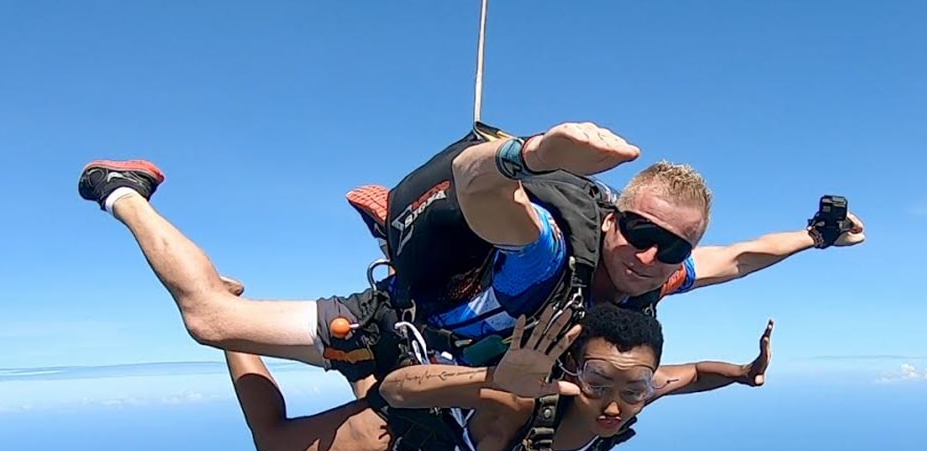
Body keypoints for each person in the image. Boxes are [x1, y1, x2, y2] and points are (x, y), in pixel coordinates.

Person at [75, 120, 862, 382]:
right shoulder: (551, 247)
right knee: (212, 320)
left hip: (452, 331)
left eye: (671, 247)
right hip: (408, 318)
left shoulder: (657, 277)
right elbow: (478, 185)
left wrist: (813, 238)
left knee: (441, 246)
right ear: (614, 218)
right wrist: (534, 150)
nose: (652, 258)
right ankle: (125, 191)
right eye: (641, 233)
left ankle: (397, 226)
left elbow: (741, 257)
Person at [219, 290, 776, 451]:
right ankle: (234, 330)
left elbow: (696, 374)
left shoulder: (637, 393)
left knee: (362, 373)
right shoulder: (530, 397)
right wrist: (499, 382)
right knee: (273, 440)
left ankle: (353, 354)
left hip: (451, 402)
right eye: (598, 380)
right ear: (574, 371)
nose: (613, 404)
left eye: (634, 388)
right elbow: (398, 392)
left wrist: (743, 374)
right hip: (428, 421)